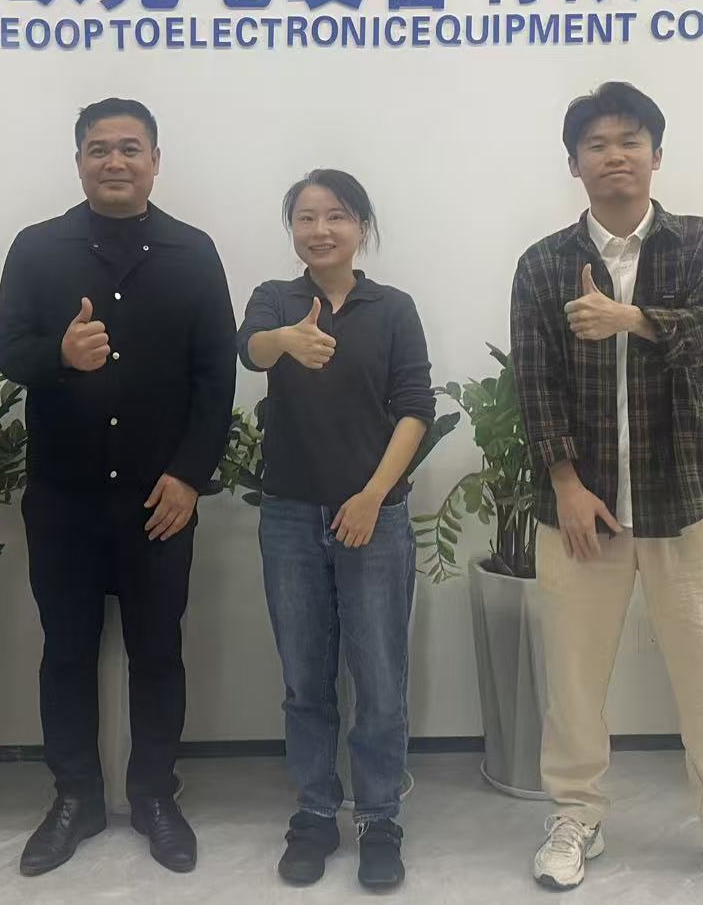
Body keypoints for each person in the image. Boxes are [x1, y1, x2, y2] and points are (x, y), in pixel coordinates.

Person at [509, 83, 703, 905]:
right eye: (597, 144)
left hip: (682, 499)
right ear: (574, 164)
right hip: (584, 509)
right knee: (574, 679)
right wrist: (565, 484)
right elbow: (536, 383)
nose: (616, 155)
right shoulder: (542, 264)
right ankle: (576, 815)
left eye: (630, 140)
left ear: (657, 154)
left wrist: (627, 317)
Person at [0, 97, 236, 878]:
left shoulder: (194, 253)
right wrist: (60, 356)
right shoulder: (37, 249)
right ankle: (75, 798)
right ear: (78, 163)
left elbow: (216, 378)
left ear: (155, 161)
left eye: (131, 147)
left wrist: (189, 477)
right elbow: (8, 351)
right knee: (65, 653)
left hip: (159, 501)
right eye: (99, 148)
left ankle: (156, 796)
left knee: (158, 653)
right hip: (63, 498)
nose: (115, 161)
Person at [238, 170, 433, 892]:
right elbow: (250, 349)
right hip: (290, 514)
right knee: (305, 677)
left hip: (374, 517)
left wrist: (372, 497)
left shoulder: (394, 308)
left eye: (337, 216)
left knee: (379, 679)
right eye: (306, 217)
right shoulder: (276, 299)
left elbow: (415, 407)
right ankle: (316, 811)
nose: (320, 230)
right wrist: (286, 340)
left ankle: (380, 817)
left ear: (361, 227)